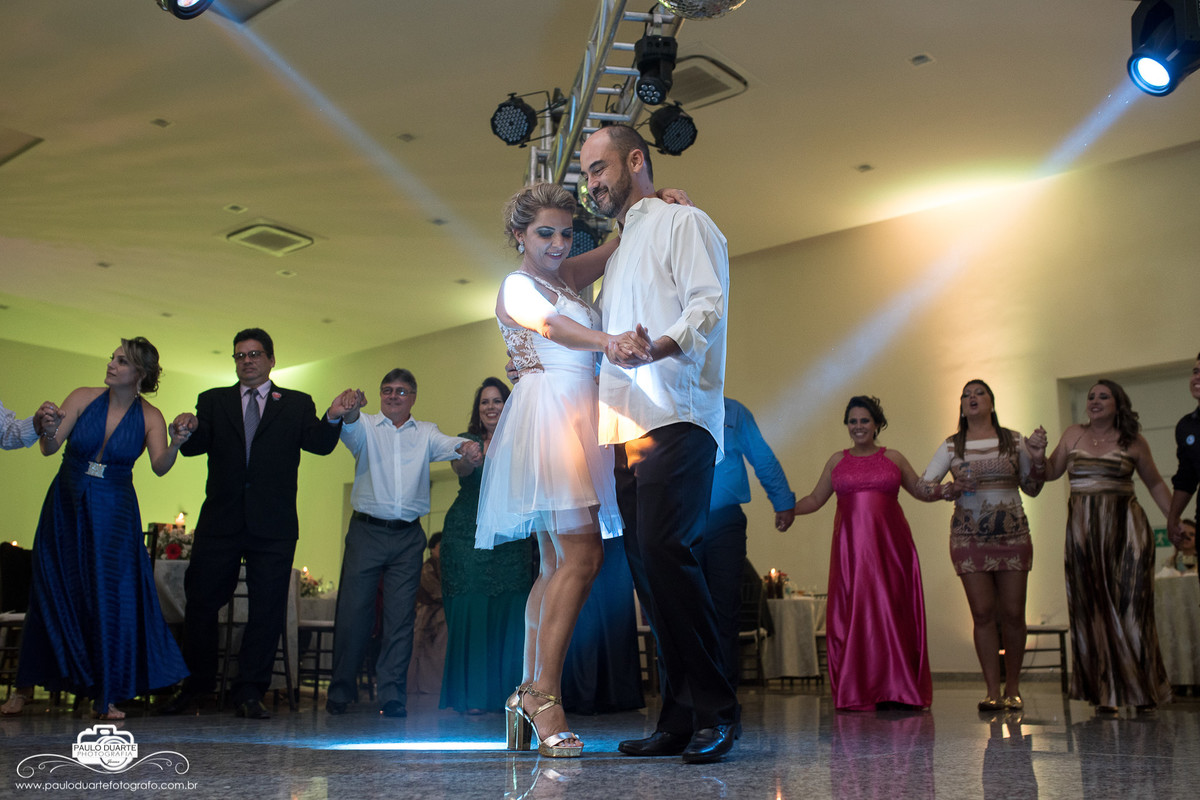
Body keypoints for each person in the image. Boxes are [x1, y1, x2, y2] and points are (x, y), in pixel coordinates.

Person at [580, 123, 736, 764]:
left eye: (599, 168)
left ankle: (717, 711)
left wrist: (658, 348)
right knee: (649, 572)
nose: (592, 183)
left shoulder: (685, 222)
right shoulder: (617, 255)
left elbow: (707, 306)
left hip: (677, 413)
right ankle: (677, 717)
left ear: (636, 161)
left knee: (670, 555)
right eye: (586, 174)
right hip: (623, 426)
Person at [478, 182, 637, 758]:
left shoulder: (566, 276)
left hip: (580, 415)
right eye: (545, 233)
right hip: (550, 418)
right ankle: (544, 696)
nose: (558, 243)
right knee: (583, 556)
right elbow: (551, 327)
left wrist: (649, 203)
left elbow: (618, 245)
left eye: (566, 233)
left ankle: (528, 691)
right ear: (518, 234)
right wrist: (608, 341)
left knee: (555, 563)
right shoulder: (516, 284)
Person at [160, 328, 350, 719]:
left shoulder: (295, 403)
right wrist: (183, 430)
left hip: (274, 526)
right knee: (201, 604)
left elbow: (319, 443)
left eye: (254, 354)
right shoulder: (214, 400)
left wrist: (333, 416)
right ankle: (196, 686)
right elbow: (196, 446)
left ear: (271, 359)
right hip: (221, 521)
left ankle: (249, 691)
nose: (247, 361)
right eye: (240, 355)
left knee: (267, 609)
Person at [3, 339, 188, 718]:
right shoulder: (82, 397)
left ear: (140, 373)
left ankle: (106, 694)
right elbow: (49, 449)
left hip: (115, 513)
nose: (111, 364)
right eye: (112, 358)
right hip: (66, 504)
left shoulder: (151, 416)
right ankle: (23, 688)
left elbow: (159, 466)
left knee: (109, 598)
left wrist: (176, 443)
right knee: (52, 590)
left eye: (121, 361)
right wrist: (47, 429)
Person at [324, 369, 479, 718]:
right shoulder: (365, 425)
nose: (393, 396)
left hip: (408, 537)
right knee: (353, 614)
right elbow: (349, 426)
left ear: (413, 397)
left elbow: (451, 444)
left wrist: (467, 447)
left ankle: (392, 696)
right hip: (366, 532)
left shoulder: (425, 432)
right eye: (387, 390)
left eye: (401, 391)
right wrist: (350, 409)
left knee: (400, 618)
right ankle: (341, 691)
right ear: (380, 395)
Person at [791, 395, 937, 711]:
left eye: (864, 421)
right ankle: (859, 690)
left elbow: (920, 489)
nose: (858, 427)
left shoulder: (893, 457)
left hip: (891, 548)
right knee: (857, 612)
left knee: (892, 610)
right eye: (853, 421)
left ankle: (899, 689)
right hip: (851, 552)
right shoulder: (836, 461)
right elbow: (815, 499)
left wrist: (944, 491)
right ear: (847, 425)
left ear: (877, 424)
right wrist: (788, 509)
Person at [1042, 379, 1173, 714]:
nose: (1095, 400)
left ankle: (1143, 690)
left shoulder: (1134, 441)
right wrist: (1035, 454)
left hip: (1127, 533)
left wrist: (1174, 521)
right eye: (1091, 396)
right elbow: (1050, 472)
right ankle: (1106, 693)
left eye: (1104, 396)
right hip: (1084, 536)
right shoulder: (1073, 434)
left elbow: (1156, 484)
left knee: (1133, 610)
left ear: (1118, 404)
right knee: (1094, 610)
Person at [920, 380, 1047, 712]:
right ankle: (992, 690)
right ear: (961, 407)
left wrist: (1038, 459)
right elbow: (923, 486)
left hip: (1013, 536)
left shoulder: (1014, 441)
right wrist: (947, 489)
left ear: (991, 401)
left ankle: (1013, 688)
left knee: (1014, 614)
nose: (972, 398)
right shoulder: (952, 446)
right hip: (969, 539)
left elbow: (1033, 488)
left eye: (979, 393)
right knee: (982, 613)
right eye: (966, 394)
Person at [440, 377, 531, 715]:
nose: (491, 407)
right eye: (484, 402)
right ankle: (473, 697)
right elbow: (460, 468)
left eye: (497, 400)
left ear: (508, 405)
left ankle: (511, 697)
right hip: (468, 537)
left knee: (512, 610)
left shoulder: (523, 438)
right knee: (473, 608)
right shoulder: (467, 442)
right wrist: (470, 457)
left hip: (512, 538)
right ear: (478, 410)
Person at [705, 397, 795, 690]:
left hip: (724, 521)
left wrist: (783, 501)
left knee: (725, 607)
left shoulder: (734, 411)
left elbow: (762, 456)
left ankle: (724, 694)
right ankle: (690, 696)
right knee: (683, 609)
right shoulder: (669, 403)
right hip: (679, 520)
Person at [1167, 353, 1200, 584]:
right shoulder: (1187, 426)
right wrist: (1173, 518)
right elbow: (1186, 478)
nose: (1196, 377)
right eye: (1195, 372)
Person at [407, 531, 448, 696]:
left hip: (441, 612)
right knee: (424, 648)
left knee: (439, 650)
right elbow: (435, 591)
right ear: (433, 548)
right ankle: (422, 685)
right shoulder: (428, 567)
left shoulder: (445, 566)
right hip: (428, 612)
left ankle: (434, 685)